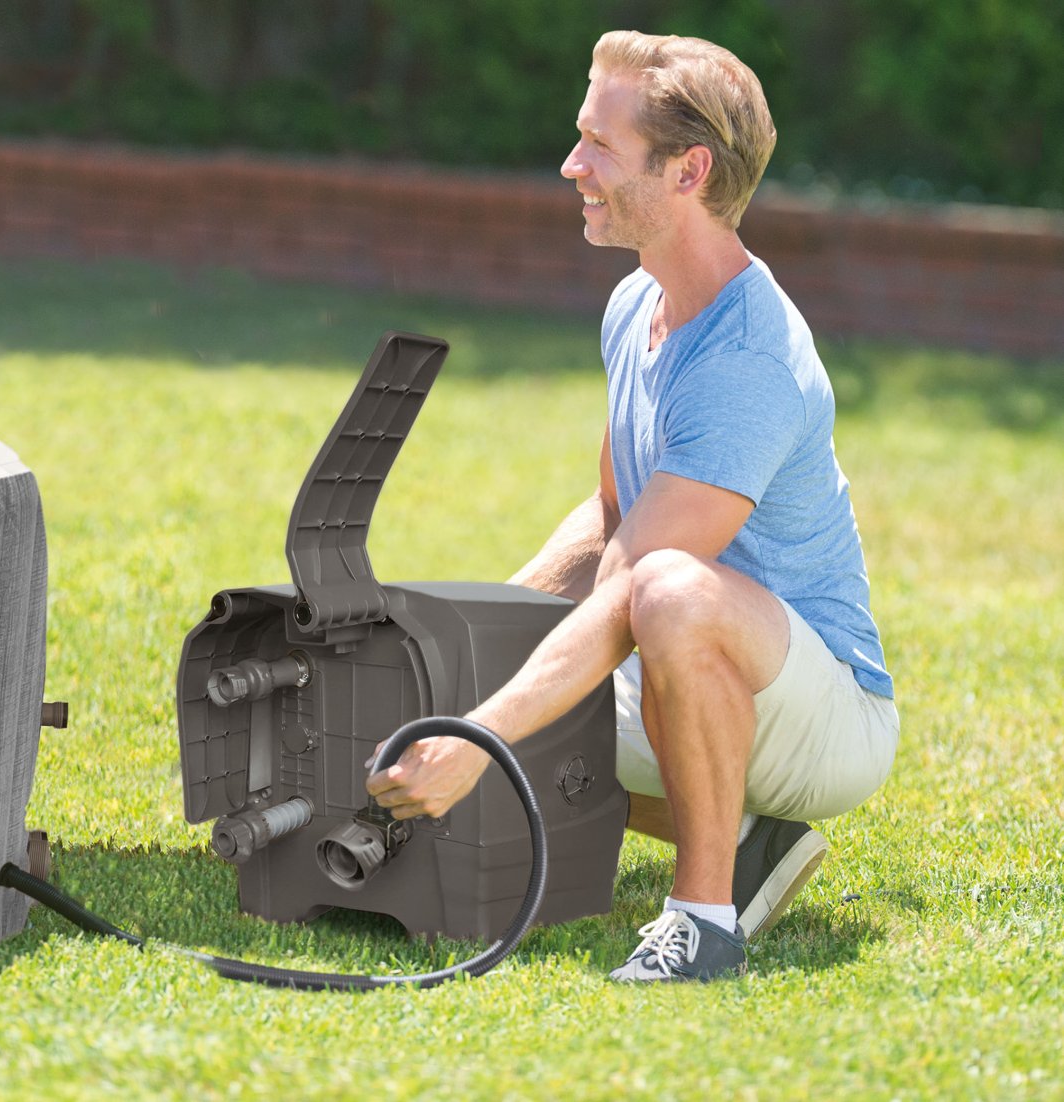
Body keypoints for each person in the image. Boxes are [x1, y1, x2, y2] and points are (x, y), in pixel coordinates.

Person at [365, 30, 898, 983]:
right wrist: (470, 647)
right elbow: (611, 517)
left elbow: (635, 587)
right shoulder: (635, 304)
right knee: (472, 683)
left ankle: (704, 925)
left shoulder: (747, 359)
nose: (572, 166)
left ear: (689, 171)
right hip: (678, 657)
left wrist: (481, 732)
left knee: (665, 596)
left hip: (822, 717)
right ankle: (751, 840)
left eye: (600, 146)